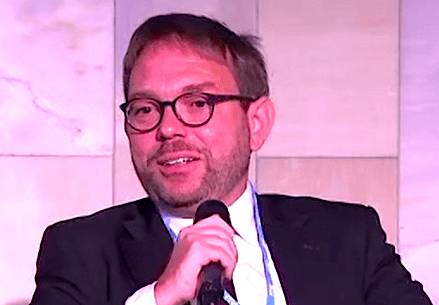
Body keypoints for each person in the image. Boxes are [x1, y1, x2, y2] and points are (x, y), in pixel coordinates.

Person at [30, 13, 432, 305]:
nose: (168, 128)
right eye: (145, 108)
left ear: (256, 122)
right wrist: (160, 297)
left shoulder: (347, 238)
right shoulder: (80, 251)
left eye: (198, 102)